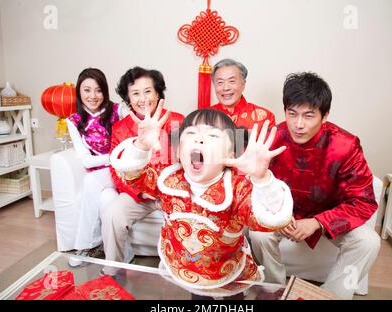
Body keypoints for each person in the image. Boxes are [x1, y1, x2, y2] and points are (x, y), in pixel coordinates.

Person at [110, 106, 293, 298]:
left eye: (213, 136)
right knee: (198, 297)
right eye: (190, 133)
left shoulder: (237, 188)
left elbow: (270, 220)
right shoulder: (169, 179)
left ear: (231, 155)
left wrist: (262, 180)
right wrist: (141, 145)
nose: (199, 139)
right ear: (180, 150)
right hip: (186, 269)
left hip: (227, 272)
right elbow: (133, 176)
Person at [249, 72, 381, 300]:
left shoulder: (345, 145)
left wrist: (319, 222)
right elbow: (251, 186)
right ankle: (274, 290)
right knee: (258, 234)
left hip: (329, 215)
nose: (298, 125)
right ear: (285, 112)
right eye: (292, 114)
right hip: (282, 215)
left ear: (325, 115)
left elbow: (364, 200)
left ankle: (330, 296)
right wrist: (277, 214)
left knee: (368, 242)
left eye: (309, 116)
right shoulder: (272, 138)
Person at [100, 67, 184, 271]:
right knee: (112, 213)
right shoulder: (120, 128)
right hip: (137, 194)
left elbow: (187, 163)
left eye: (148, 91)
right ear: (128, 97)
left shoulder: (177, 121)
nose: (143, 98)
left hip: (172, 193)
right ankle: (112, 271)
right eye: (135, 93)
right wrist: (139, 192)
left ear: (158, 93)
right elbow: (116, 170)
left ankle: (181, 270)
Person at [66, 68, 122, 266]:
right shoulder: (74, 121)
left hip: (122, 171)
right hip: (102, 174)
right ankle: (121, 253)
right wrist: (113, 157)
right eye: (87, 90)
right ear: (79, 92)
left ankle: (85, 245)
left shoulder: (117, 111)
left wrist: (114, 160)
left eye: (98, 90)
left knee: (90, 180)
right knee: (108, 198)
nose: (93, 96)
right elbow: (86, 161)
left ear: (105, 91)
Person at [211, 58, 276, 131]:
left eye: (232, 81)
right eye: (220, 82)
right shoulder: (204, 117)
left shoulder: (265, 117)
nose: (226, 88)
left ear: (243, 84)